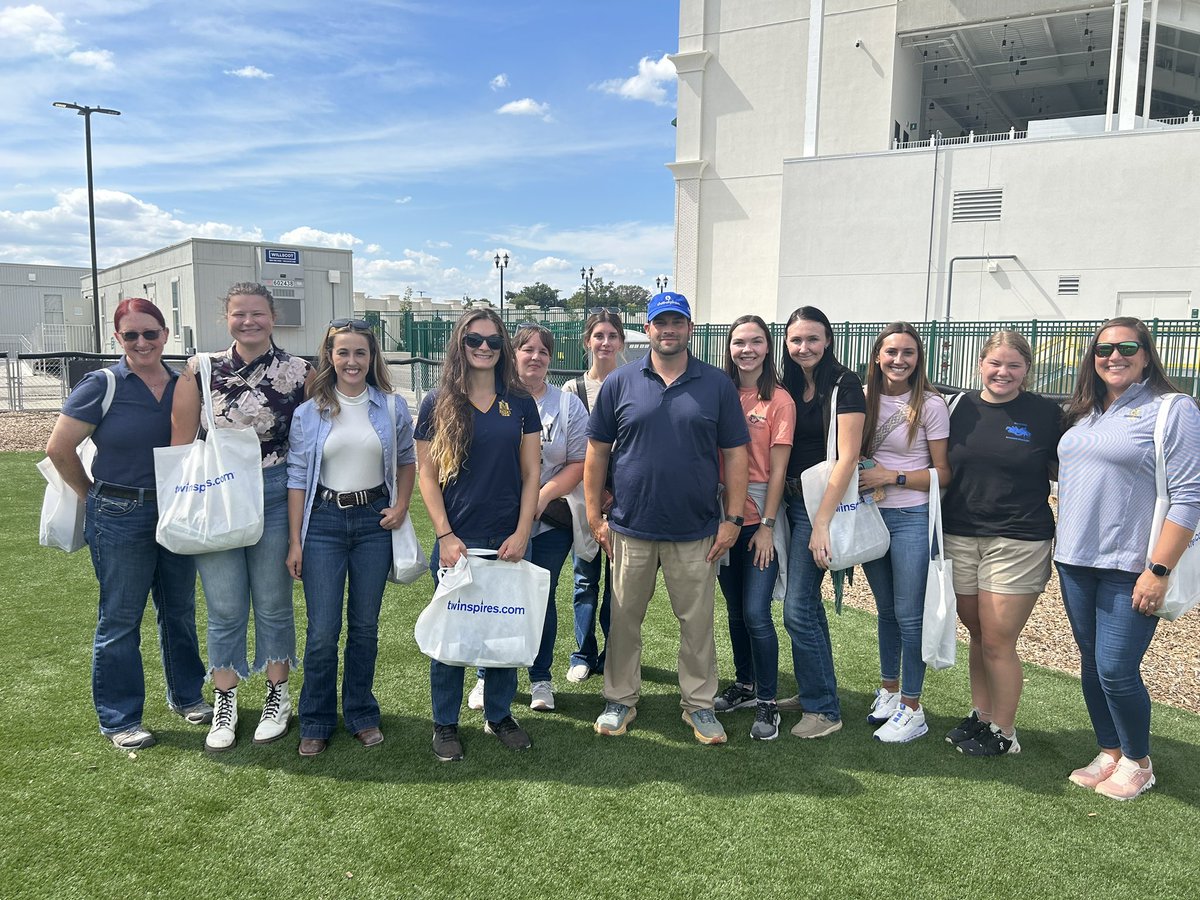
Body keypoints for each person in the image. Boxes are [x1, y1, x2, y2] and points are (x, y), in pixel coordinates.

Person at [46, 298, 209, 750]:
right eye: (131, 335)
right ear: (117, 338)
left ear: (165, 335)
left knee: (178, 610)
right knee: (120, 618)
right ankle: (120, 718)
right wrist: (92, 496)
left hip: (176, 508)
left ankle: (187, 695)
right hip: (119, 512)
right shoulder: (102, 384)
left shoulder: (184, 384)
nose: (142, 342)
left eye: (150, 333)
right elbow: (59, 448)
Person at [587, 291, 749, 745]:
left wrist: (733, 519)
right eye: (661, 323)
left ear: (690, 329)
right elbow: (596, 452)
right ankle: (620, 698)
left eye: (678, 322)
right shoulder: (620, 381)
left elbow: (736, 455)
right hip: (629, 526)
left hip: (696, 529)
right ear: (648, 329)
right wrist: (595, 516)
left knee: (697, 625)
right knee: (623, 620)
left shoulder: (715, 384)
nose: (669, 330)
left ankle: (699, 706)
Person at [1055, 317, 1200, 800]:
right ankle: (1109, 751)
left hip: (1132, 565)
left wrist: (1158, 569)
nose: (1113, 356)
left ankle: (1139, 761)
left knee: (1116, 667)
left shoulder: (1172, 409)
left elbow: (1188, 497)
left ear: (1146, 353)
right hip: (1075, 559)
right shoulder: (1085, 412)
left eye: (1126, 347)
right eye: (1103, 349)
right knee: (1092, 664)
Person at [171, 282, 314, 752]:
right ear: (226, 318)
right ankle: (225, 699)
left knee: (273, 603)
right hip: (218, 497)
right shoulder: (201, 368)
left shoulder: (300, 372)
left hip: (275, 495)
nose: (248, 322)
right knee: (225, 607)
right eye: (238, 314)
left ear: (273, 317)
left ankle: (278, 694)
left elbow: (311, 440)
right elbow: (181, 441)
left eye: (257, 314)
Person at [415, 309, 541, 762]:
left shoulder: (520, 401)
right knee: (452, 638)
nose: (484, 347)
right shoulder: (437, 401)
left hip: (507, 541)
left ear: (502, 346)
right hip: (457, 543)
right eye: (474, 340)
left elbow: (532, 474)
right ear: (460, 345)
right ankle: (444, 723)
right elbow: (427, 478)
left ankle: (498, 713)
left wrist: (524, 530)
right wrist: (445, 535)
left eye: (492, 340)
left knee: (503, 634)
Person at [285, 319, 416, 756]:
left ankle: (361, 713)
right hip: (323, 522)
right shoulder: (309, 412)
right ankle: (317, 718)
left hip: (372, 524)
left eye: (360, 353)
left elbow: (407, 460)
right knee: (323, 630)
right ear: (330, 357)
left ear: (372, 358)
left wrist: (400, 505)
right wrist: (295, 540)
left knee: (364, 627)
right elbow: (298, 478)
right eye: (343, 352)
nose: (352, 361)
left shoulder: (392, 407)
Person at [941, 331, 1062, 757]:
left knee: (998, 639)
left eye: (1013, 365)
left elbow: (1071, 469)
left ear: (1027, 370)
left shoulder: (1046, 414)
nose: (1003, 373)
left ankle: (1005, 733)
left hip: (1018, 538)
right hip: (959, 534)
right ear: (980, 364)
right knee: (976, 632)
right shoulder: (957, 408)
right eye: (995, 363)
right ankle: (982, 714)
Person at [465, 323, 587, 713]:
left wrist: (541, 497)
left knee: (539, 599)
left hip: (548, 521)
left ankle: (540, 678)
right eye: (527, 349)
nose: (535, 357)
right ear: (512, 354)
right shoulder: (493, 398)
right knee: (493, 599)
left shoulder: (567, 404)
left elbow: (579, 461)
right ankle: (487, 676)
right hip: (496, 520)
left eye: (543, 351)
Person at [857, 322, 951, 743]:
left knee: (910, 615)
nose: (899, 360)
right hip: (871, 516)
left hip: (912, 515)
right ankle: (890, 691)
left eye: (908, 352)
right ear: (877, 355)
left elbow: (942, 474)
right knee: (887, 612)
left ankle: (914, 706)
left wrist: (891, 477)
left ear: (918, 358)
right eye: (891, 352)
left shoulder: (930, 404)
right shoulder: (861, 399)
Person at [776, 306, 863, 739]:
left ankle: (824, 710)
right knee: (806, 605)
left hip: (819, 506)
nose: (803, 347)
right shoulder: (788, 383)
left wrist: (823, 521)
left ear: (828, 339)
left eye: (812, 339)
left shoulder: (844, 384)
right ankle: (816, 690)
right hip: (790, 501)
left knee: (796, 608)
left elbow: (848, 457)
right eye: (795, 340)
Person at [713, 315, 795, 741]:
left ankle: (767, 700)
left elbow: (778, 471)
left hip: (759, 514)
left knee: (755, 613)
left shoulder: (779, 400)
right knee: (733, 610)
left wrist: (766, 525)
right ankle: (744, 685)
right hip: (723, 513)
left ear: (768, 347)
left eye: (756, 342)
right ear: (729, 348)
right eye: (739, 342)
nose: (747, 349)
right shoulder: (721, 393)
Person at [562, 310, 625, 683]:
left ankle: (614, 652)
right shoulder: (574, 390)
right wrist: (596, 493)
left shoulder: (632, 382)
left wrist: (616, 493)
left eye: (612, 336)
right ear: (588, 341)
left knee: (621, 584)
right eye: (598, 335)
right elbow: (578, 448)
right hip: (586, 497)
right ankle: (582, 652)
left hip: (624, 498)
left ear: (621, 341)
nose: (605, 343)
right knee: (585, 578)